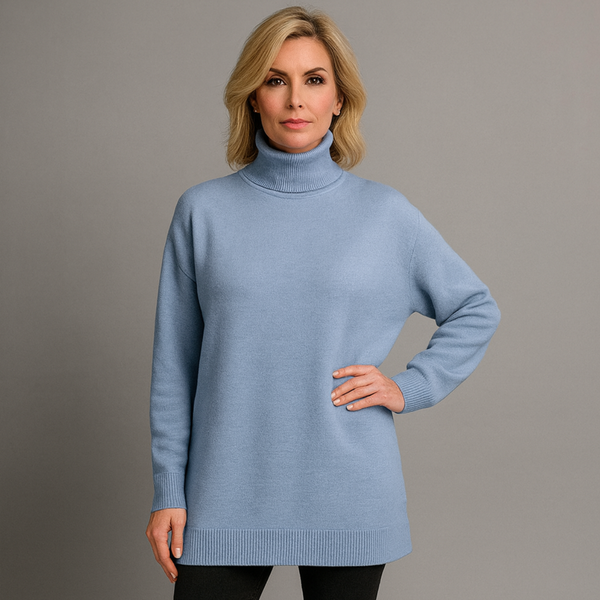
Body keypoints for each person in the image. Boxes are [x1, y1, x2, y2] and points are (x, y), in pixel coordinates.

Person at [146, 6, 500, 599]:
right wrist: (168, 491)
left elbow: (475, 307)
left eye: (314, 80)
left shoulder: (383, 214)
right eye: (275, 80)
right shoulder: (202, 213)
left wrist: (409, 387)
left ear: (339, 99)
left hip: (349, 488)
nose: (295, 100)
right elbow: (174, 369)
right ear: (252, 96)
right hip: (223, 490)